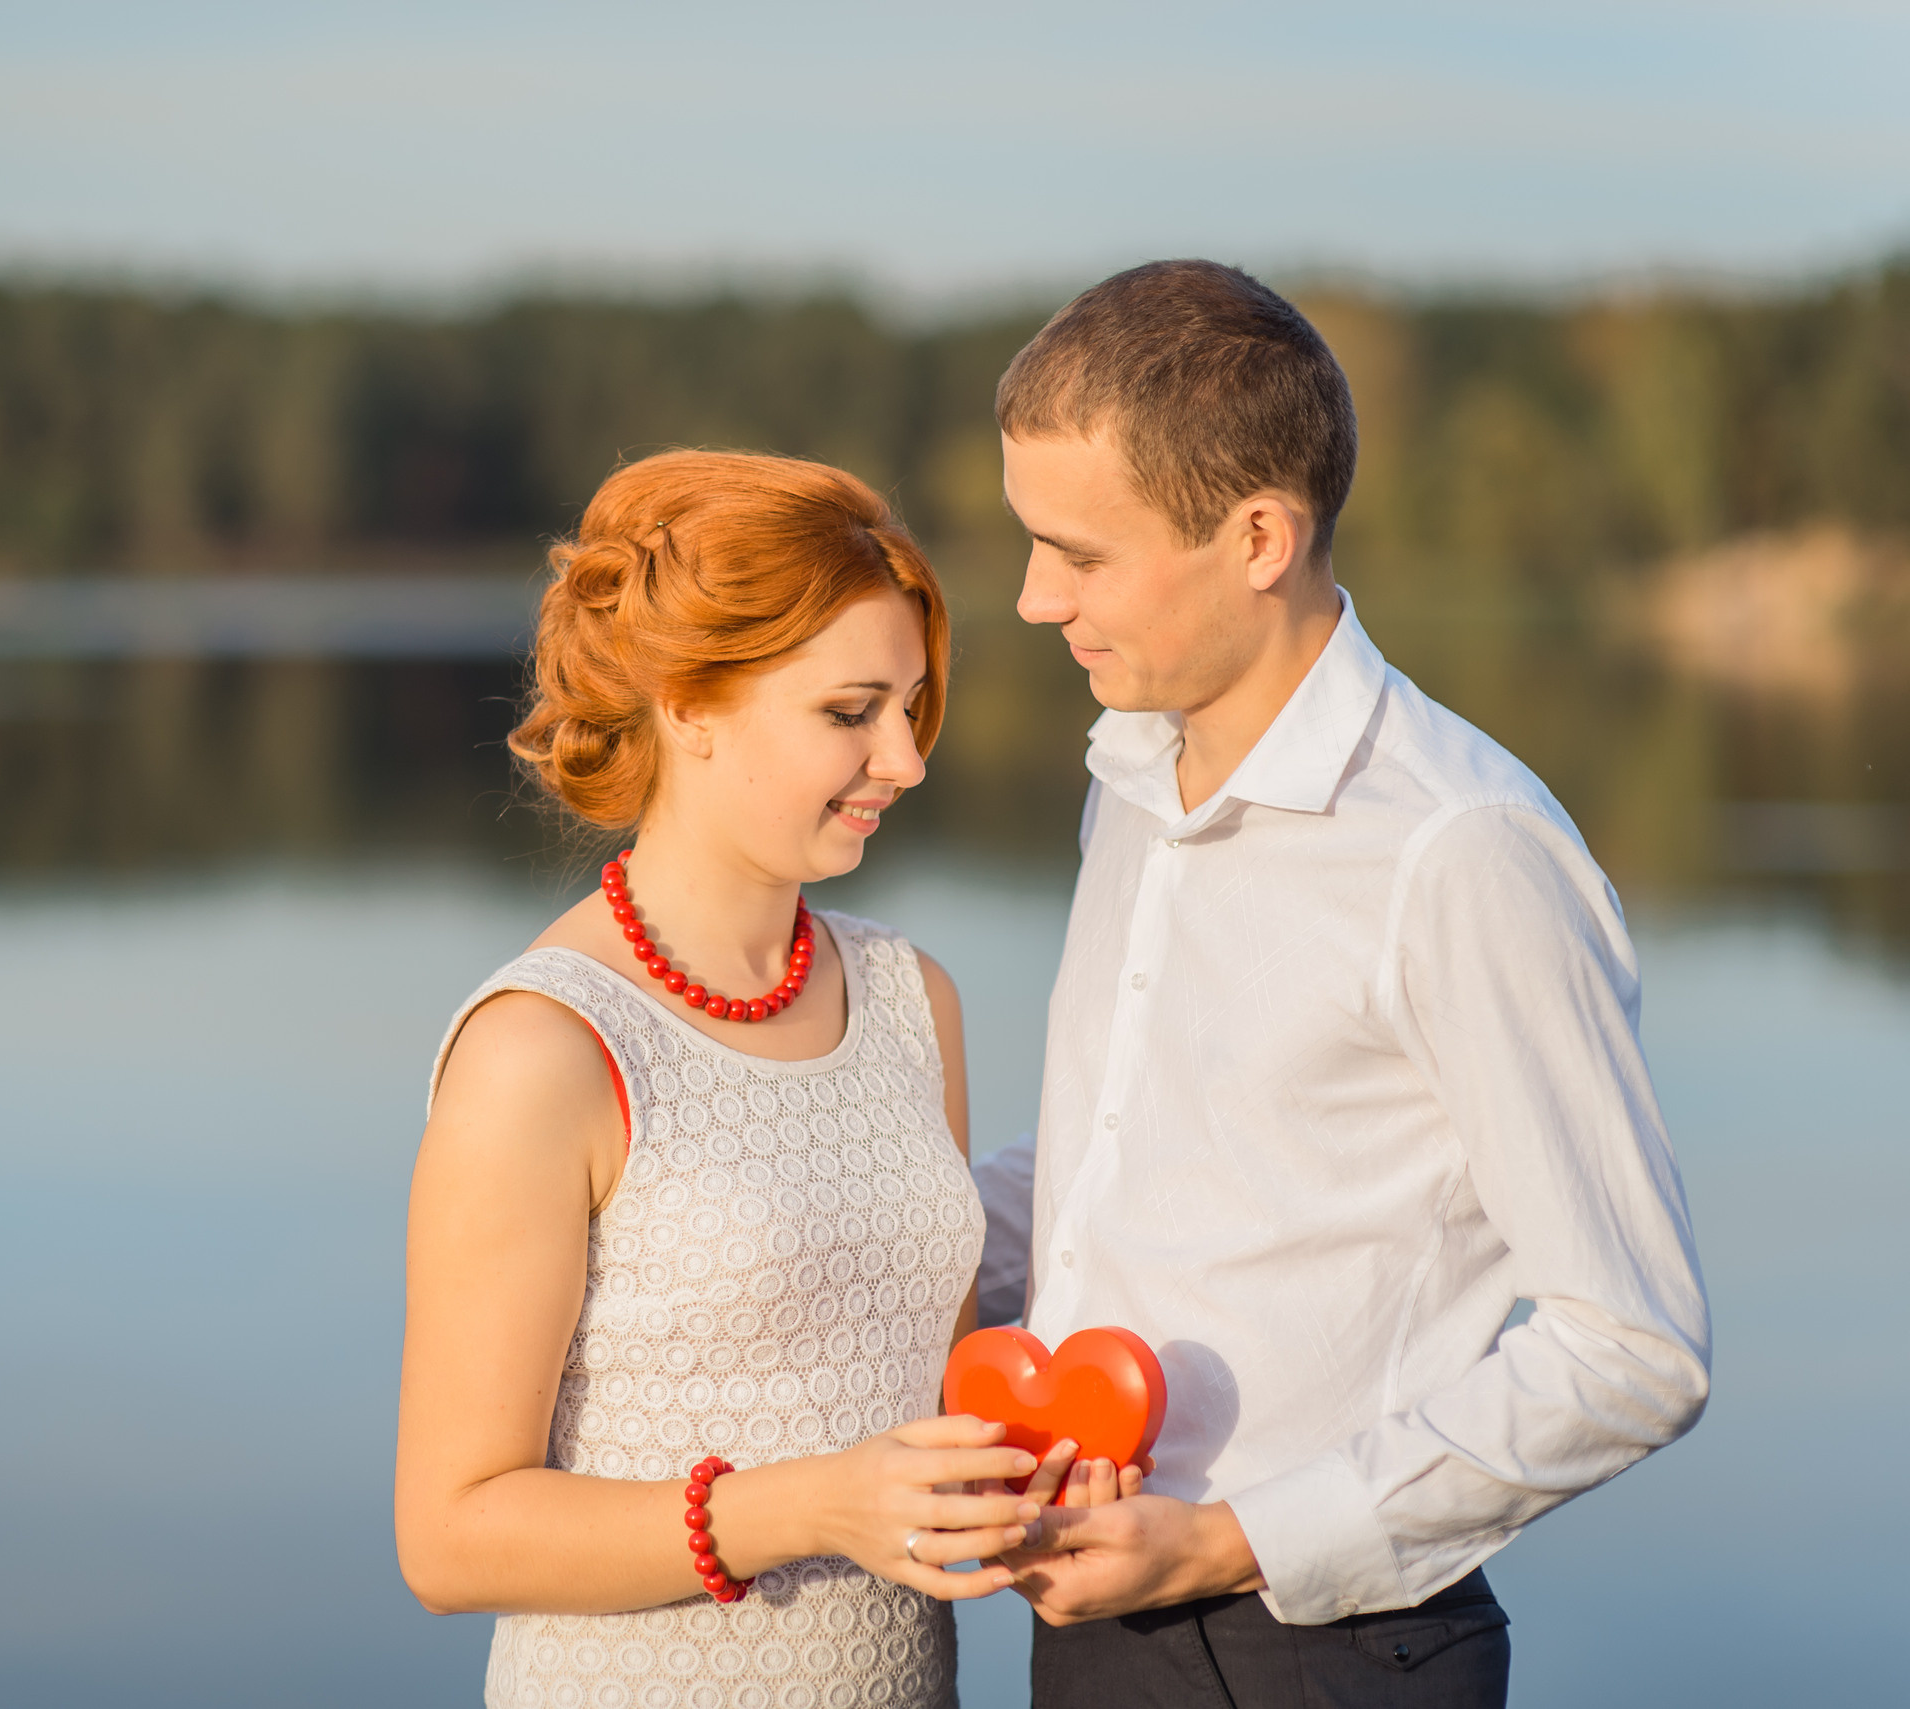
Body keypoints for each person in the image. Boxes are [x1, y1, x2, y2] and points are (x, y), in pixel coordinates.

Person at [986, 261, 1711, 1707]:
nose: (1028, 599)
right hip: (1083, 1613)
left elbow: (1634, 1347)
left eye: (1079, 553)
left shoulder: (1460, 851)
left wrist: (1223, 1542)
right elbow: (1121, 1173)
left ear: (1258, 535)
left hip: (1312, 1654)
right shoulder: (1131, 778)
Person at [397, 450, 1060, 1709]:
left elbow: (935, 1377)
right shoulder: (543, 1047)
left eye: (911, 706)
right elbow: (450, 1533)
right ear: (690, 705)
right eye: (850, 710)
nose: (906, 759)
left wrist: (1030, 1471)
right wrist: (809, 1505)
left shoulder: (916, 1002)